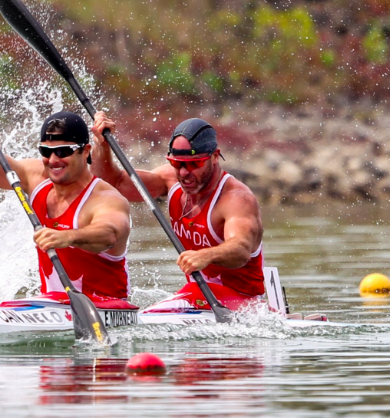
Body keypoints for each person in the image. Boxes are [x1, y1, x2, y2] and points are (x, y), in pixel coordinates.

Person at [0, 101, 133, 307]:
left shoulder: (105, 198)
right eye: (46, 151)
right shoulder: (36, 178)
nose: (53, 159)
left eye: (64, 151)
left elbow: (109, 234)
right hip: (53, 306)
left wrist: (68, 236)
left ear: (85, 151)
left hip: (103, 307)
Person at [91, 113, 265, 312]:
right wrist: (102, 145)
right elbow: (113, 184)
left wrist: (207, 255)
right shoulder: (170, 180)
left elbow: (241, 248)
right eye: (177, 163)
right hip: (199, 296)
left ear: (215, 157)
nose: (183, 173)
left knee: (150, 316)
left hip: (241, 303)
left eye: (194, 164)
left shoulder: (237, 199)